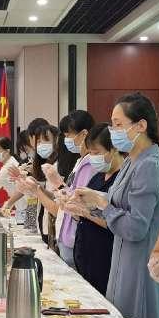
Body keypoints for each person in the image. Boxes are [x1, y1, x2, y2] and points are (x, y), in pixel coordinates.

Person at [72, 94, 159, 318]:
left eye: (118, 125)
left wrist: (103, 204)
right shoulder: (131, 162)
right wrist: (92, 200)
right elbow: (118, 204)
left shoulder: (151, 166)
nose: (113, 131)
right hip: (122, 261)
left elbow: (136, 227)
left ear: (140, 126)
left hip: (141, 266)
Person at [70, 124, 123, 295]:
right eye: (90, 153)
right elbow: (85, 210)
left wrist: (85, 213)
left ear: (113, 149)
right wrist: (74, 208)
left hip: (104, 254)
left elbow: (115, 221)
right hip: (85, 252)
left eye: (97, 153)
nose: (93, 158)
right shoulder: (97, 177)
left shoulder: (121, 180)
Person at [52, 110, 95, 269]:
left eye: (69, 135)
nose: (66, 140)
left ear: (84, 134)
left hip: (75, 236)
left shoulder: (90, 163)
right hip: (66, 235)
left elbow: (79, 200)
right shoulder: (79, 161)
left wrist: (58, 184)